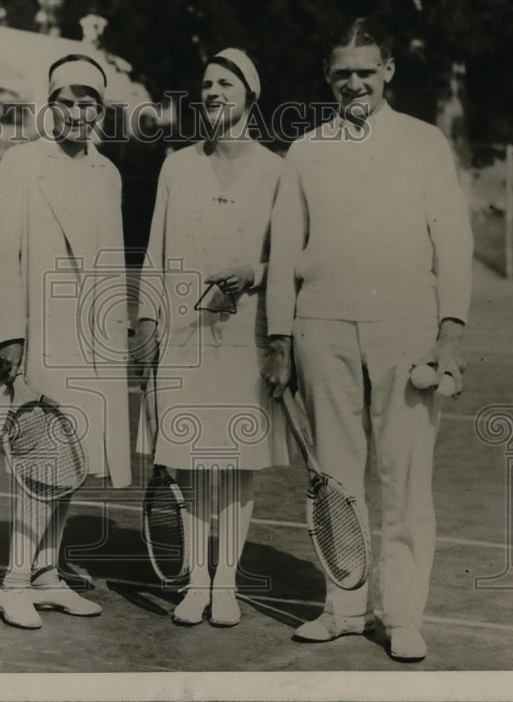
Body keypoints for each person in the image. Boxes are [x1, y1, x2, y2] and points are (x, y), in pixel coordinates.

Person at [263, 17, 474, 661]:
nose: (354, 82)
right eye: (341, 73)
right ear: (328, 78)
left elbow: (454, 242)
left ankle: (403, 615)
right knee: (334, 475)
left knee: (407, 479)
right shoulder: (305, 151)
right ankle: (344, 606)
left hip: (406, 328)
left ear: (388, 71)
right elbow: (282, 254)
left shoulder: (423, 141)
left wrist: (450, 334)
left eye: (365, 70)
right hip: (319, 326)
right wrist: (277, 340)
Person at [0, 54, 131, 629]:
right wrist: (9, 335)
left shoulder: (108, 172)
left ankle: (46, 574)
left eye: (90, 102)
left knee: (75, 459)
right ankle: (13, 582)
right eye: (68, 100)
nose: (79, 112)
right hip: (38, 334)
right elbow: (0, 256)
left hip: (92, 340)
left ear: (101, 110)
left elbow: (109, 263)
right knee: (41, 458)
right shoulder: (20, 163)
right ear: (51, 105)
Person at [135, 49, 289, 627]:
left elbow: (290, 258)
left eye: (227, 82)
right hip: (183, 334)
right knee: (195, 461)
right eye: (206, 84)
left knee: (237, 462)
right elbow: (155, 250)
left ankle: (226, 582)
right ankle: (196, 582)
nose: (213, 91)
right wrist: (147, 319)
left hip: (244, 334)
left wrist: (256, 273)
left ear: (250, 93)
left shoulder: (278, 170)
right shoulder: (176, 166)